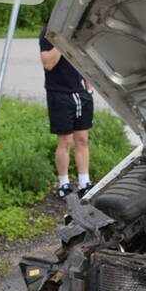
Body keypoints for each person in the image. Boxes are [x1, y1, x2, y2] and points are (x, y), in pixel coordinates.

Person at [39, 26, 92, 198]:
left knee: (82, 139)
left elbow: (86, 60)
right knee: (65, 141)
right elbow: (48, 64)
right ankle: (64, 184)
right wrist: (62, 42)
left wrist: (89, 90)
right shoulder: (48, 34)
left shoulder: (77, 31)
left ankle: (84, 182)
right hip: (59, 94)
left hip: (80, 93)